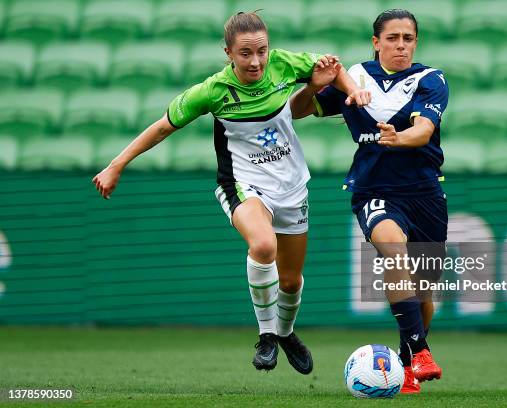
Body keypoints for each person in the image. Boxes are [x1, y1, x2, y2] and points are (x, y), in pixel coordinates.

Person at [92, 11, 369, 374]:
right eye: (245, 53)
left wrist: (348, 89)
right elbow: (162, 128)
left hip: (291, 184)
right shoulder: (213, 91)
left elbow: (333, 68)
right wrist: (116, 164)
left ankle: (285, 334)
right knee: (263, 246)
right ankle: (267, 335)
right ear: (228, 53)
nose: (255, 61)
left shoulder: (285, 63)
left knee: (290, 279)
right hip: (242, 183)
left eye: (262, 51)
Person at [290, 9, 447, 393]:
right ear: (376, 42)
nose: (401, 46)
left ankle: (408, 365)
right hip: (374, 191)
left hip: (425, 193)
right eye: (392, 38)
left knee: (424, 289)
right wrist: (313, 86)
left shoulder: (430, 79)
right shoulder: (354, 79)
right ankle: (420, 351)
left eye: (408, 38)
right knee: (393, 247)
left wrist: (399, 137)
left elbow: (423, 132)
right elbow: (296, 111)